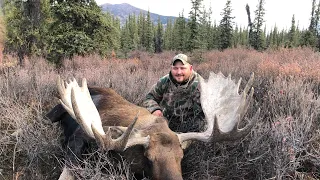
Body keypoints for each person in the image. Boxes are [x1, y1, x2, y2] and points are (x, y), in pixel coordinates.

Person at [143, 54, 205, 132]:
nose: (179, 72)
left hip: (193, 127)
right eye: (175, 68)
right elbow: (149, 98)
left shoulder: (201, 85)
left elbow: (206, 114)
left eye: (183, 68)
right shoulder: (164, 81)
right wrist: (155, 109)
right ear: (171, 68)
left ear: (190, 68)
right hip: (167, 123)